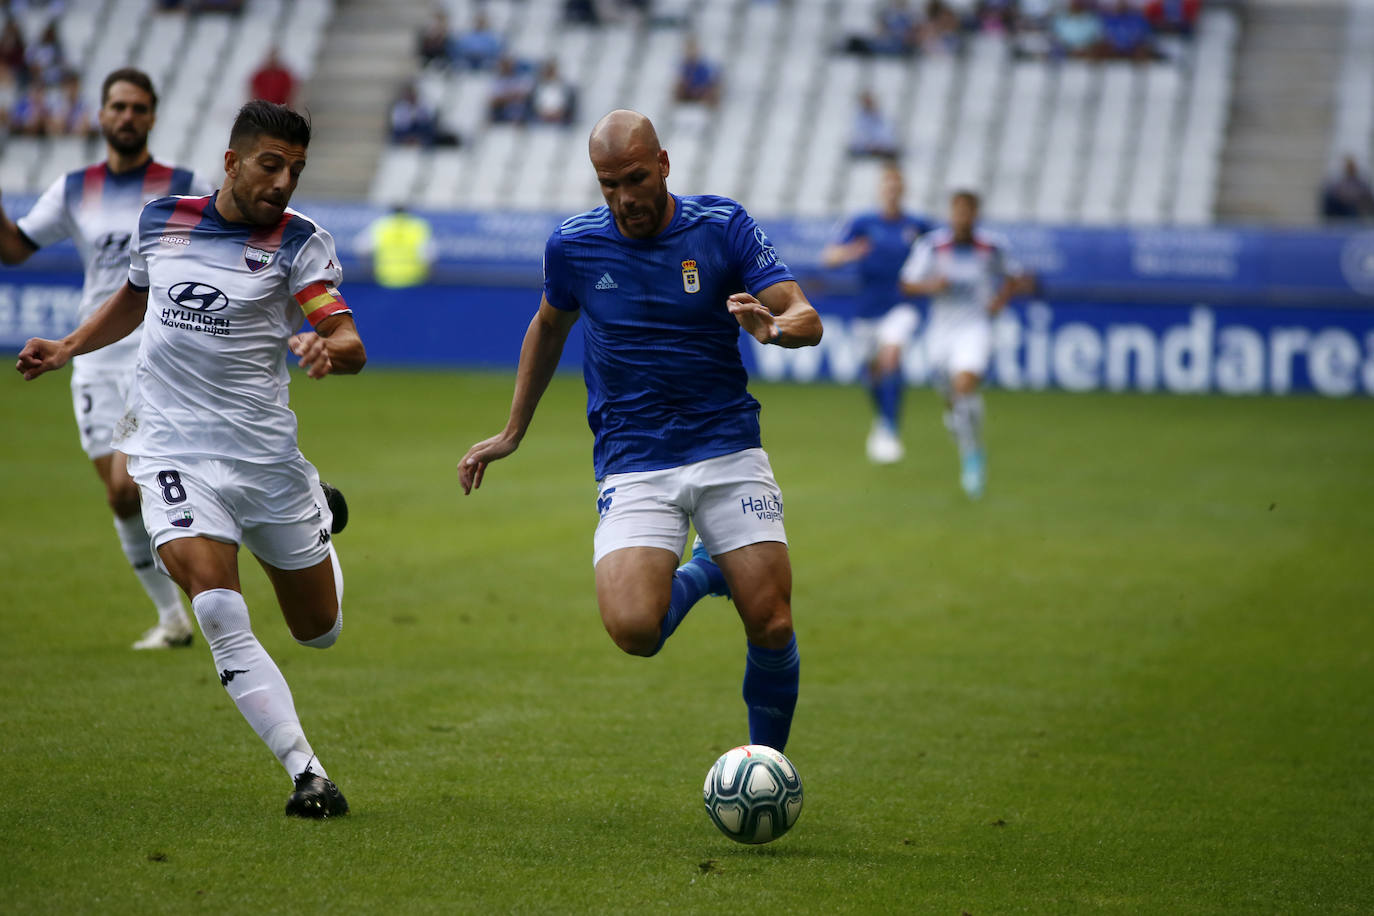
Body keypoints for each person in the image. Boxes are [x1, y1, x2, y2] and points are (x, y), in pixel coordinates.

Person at [16, 100, 365, 818]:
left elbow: (347, 336)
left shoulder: (299, 244)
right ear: (233, 162)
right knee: (214, 603)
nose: (283, 182)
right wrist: (69, 348)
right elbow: (136, 298)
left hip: (263, 460)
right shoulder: (162, 221)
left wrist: (330, 347)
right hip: (172, 448)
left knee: (319, 631)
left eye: (295, 170)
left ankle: (317, 511)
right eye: (271, 164)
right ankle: (309, 774)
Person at [458, 110, 822, 754]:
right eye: (607, 184)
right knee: (634, 629)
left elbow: (805, 315)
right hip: (634, 458)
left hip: (725, 445)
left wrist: (775, 328)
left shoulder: (722, 226)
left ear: (663, 165)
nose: (624, 198)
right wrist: (512, 430)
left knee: (770, 620)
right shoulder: (573, 246)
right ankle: (709, 571)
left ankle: (768, 766)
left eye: (633, 178)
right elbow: (548, 326)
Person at [0, 68, 208, 648]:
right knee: (119, 495)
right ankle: (172, 619)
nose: (127, 117)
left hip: (157, 353)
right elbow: (15, 248)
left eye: (139, 108)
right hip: (92, 355)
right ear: (100, 114)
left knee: (130, 481)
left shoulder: (182, 186)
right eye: (118, 106)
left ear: (153, 117)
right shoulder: (74, 188)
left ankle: (210, 582)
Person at [899, 190, 1032, 499]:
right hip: (941, 331)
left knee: (965, 385)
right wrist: (934, 285)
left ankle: (972, 457)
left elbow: (1014, 276)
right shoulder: (932, 245)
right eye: (957, 212)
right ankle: (959, 420)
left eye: (967, 212)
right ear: (951, 214)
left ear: (975, 215)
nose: (961, 218)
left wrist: (1000, 301)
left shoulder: (992, 246)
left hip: (975, 328)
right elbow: (906, 283)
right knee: (952, 397)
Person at [821, 161, 930, 463]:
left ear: (903, 191)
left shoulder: (916, 225)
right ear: (881, 191)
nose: (892, 193)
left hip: (902, 306)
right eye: (888, 187)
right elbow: (828, 257)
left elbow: (941, 249)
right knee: (871, 373)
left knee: (891, 357)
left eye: (897, 188)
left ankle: (891, 430)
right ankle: (883, 420)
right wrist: (851, 252)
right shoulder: (862, 222)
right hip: (868, 309)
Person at [357, 203, 435, 287]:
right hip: (414, 279)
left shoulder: (381, 226)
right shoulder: (418, 227)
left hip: (385, 278)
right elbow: (429, 255)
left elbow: (361, 248)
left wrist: (368, 270)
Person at [848, 90, 899, 158]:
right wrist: (869, 145)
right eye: (866, 101)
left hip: (880, 148)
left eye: (869, 101)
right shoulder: (857, 117)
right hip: (863, 149)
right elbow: (857, 135)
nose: (868, 103)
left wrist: (878, 144)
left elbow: (887, 132)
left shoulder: (882, 116)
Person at [1320, 156, 1374, 220]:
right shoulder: (1339, 182)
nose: (1350, 169)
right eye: (1348, 167)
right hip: (1342, 208)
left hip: (1356, 211)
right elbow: (1336, 193)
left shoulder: (1361, 183)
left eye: (1352, 167)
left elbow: (1365, 196)